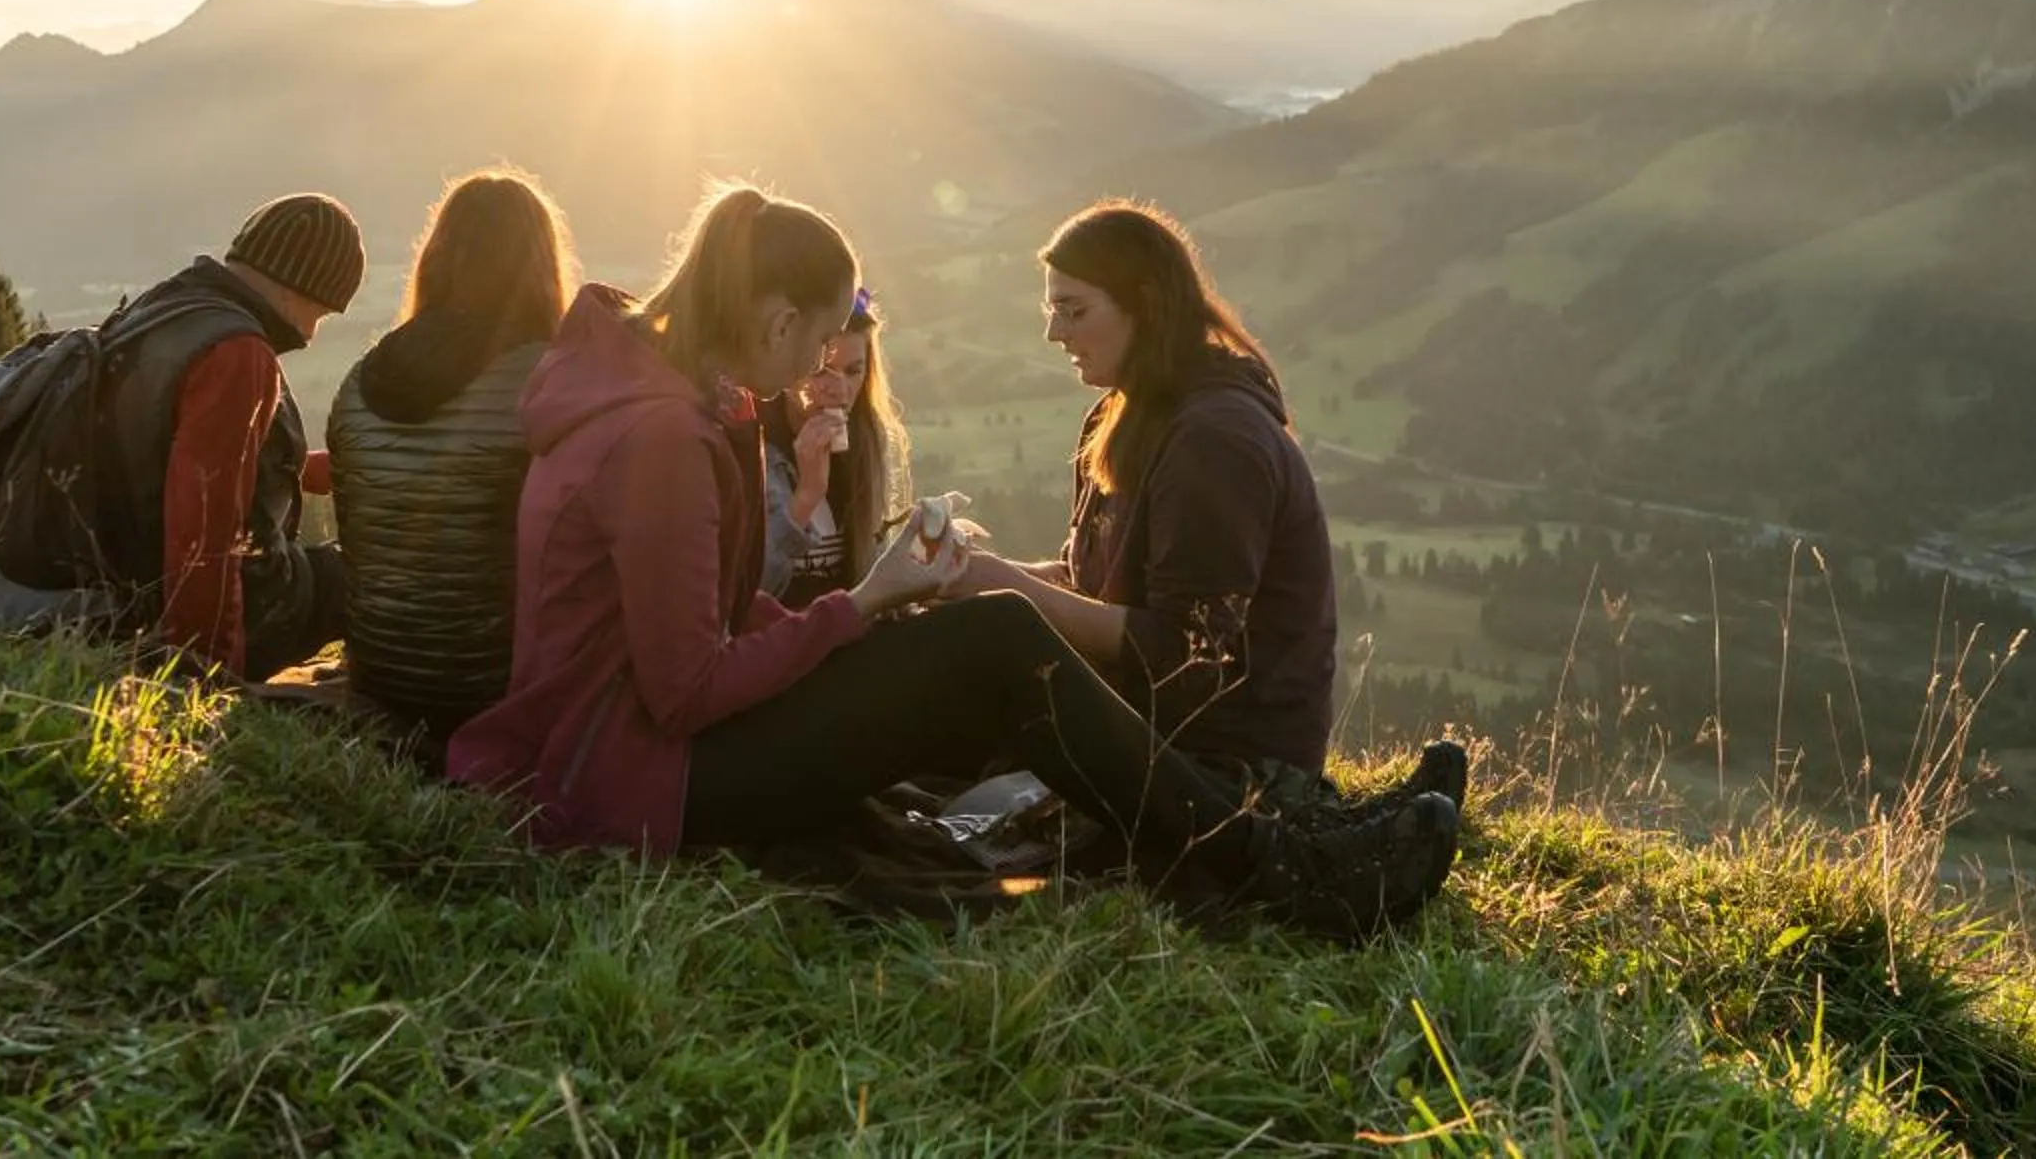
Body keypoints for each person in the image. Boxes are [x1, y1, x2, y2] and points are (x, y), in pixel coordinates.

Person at [446, 185, 1459, 939]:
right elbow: (684, 687)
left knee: (975, 648)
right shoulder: (662, 437)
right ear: (776, 318)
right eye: (817, 344)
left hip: (617, 757)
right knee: (991, 647)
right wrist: (859, 606)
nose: (816, 372)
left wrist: (872, 604)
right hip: (634, 784)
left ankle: (1278, 835)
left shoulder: (649, 402)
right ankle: (1274, 867)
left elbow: (694, 635)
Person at [951, 200, 1468, 823]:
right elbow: (1089, 584)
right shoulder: (1126, 413)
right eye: (1050, 309)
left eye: (1073, 310)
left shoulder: (1215, 441)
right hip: (1151, 728)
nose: (1054, 333)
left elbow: (1188, 655)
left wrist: (1005, 592)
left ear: (1144, 304)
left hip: (1232, 762)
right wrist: (968, 574)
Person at [0, 192, 365, 680]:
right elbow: (204, 534)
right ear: (300, 290)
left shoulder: (172, 308)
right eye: (323, 313)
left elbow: (164, 452)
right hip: (157, 610)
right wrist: (206, 672)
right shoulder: (238, 353)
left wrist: (327, 468)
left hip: (84, 587)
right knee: (359, 574)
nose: (313, 332)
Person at [326, 169, 579, 729]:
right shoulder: (552, 383)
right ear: (540, 266)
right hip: (499, 688)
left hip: (382, 678)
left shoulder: (358, 381)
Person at [757, 289, 913, 606]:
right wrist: (807, 494)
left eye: (853, 371)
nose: (839, 390)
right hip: (787, 644)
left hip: (856, 633)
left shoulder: (868, 440)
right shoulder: (753, 447)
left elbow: (870, 574)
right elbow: (748, 593)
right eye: (819, 371)